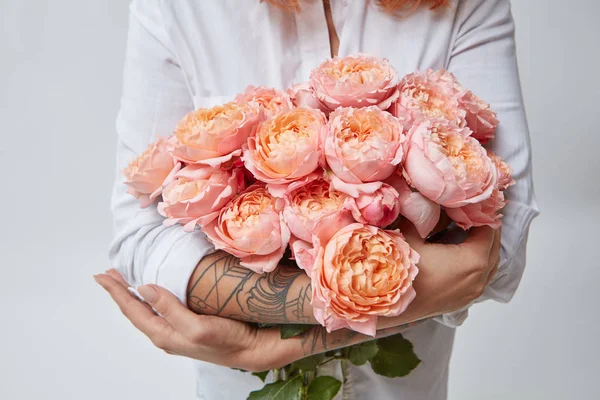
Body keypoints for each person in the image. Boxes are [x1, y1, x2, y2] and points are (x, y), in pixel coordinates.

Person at [95, 0, 539, 399]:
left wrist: (266, 342)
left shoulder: (462, 5)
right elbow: (143, 235)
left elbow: (500, 248)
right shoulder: (178, 8)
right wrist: (410, 289)